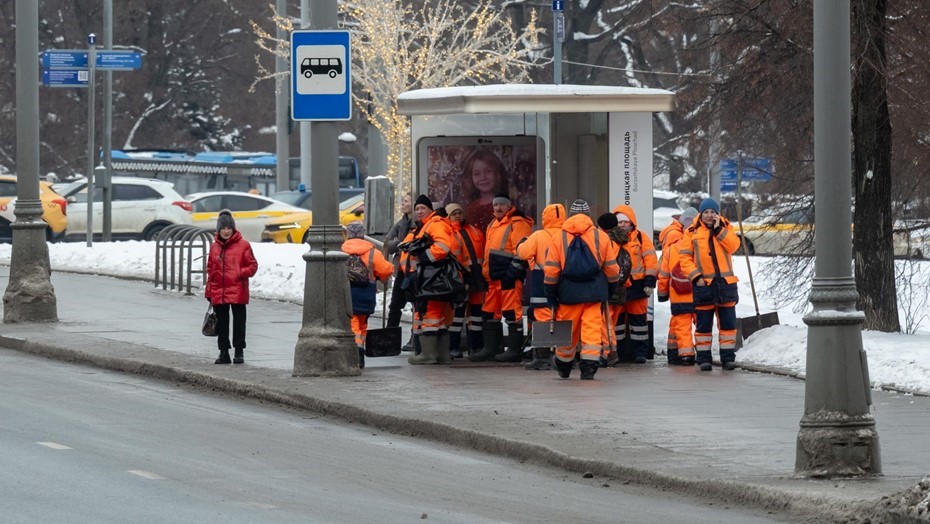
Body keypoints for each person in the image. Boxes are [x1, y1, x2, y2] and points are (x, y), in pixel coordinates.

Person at [544, 199, 621, 380]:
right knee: (592, 330)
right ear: (589, 216)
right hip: (594, 293)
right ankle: (589, 367)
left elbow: (551, 270)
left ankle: (563, 364)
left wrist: (551, 294)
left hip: (567, 293)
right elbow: (612, 269)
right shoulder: (601, 237)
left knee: (568, 331)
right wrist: (610, 289)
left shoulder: (559, 237)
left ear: (570, 216)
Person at [468, 193, 534, 362]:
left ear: (508, 206)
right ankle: (490, 349)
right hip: (493, 279)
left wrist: (512, 273)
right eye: (495, 205)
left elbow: (523, 251)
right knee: (489, 313)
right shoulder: (493, 224)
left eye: (501, 205)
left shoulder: (518, 223)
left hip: (508, 278)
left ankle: (513, 350)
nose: (497, 208)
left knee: (512, 314)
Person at [678, 198, 741, 371]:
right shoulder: (691, 231)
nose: (709, 215)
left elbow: (734, 246)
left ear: (717, 214)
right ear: (701, 213)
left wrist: (719, 230)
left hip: (725, 284)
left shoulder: (726, 228)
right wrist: (695, 277)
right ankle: (704, 358)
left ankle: (728, 358)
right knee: (703, 326)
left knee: (728, 325)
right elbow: (684, 258)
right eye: (706, 212)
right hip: (703, 284)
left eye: (713, 212)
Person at [402, 195, 458, 365]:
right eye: (417, 209)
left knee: (431, 315)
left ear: (430, 210)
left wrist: (423, 258)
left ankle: (428, 355)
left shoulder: (435, 224)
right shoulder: (424, 226)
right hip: (426, 278)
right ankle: (441, 354)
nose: (419, 211)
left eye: (422, 208)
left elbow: (443, 246)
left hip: (430, 279)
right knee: (437, 318)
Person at [516, 203, 566, 370]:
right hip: (564, 283)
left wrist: (521, 244)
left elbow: (523, 253)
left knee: (543, 318)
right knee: (562, 318)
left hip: (542, 283)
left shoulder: (539, 235)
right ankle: (562, 357)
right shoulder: (568, 235)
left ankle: (542, 358)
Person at [205, 209, 258, 365]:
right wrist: (209, 290)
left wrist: (239, 273)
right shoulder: (214, 247)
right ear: (218, 230)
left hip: (237, 290)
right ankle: (223, 353)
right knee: (222, 323)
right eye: (223, 228)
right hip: (219, 291)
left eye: (229, 228)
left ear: (233, 229)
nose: (226, 231)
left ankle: (239, 352)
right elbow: (210, 270)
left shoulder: (243, 245)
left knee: (239, 323)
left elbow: (253, 266)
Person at [610, 204, 659, 364]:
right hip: (618, 285)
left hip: (638, 286)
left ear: (632, 222)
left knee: (639, 322)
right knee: (617, 322)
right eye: (619, 222)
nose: (623, 225)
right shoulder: (610, 238)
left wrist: (650, 281)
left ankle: (640, 353)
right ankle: (618, 352)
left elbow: (651, 260)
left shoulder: (641, 237)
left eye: (625, 221)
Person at [342, 221, 394, 369]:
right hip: (367, 294)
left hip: (348, 292)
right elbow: (385, 270)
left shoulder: (341, 250)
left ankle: (355, 355)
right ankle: (361, 354)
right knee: (363, 323)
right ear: (362, 235)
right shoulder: (373, 252)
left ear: (348, 235)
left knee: (352, 323)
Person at [656, 207, 699, 365]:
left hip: (678, 294)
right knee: (701, 325)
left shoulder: (672, 248)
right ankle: (702, 353)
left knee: (682, 326)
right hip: (699, 293)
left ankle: (685, 354)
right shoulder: (702, 245)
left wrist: (662, 292)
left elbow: (664, 274)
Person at [446, 203, 487, 359]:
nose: (457, 216)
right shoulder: (447, 232)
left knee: (476, 316)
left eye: (459, 213)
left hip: (476, 277)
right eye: (454, 213)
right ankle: (452, 347)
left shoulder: (474, 231)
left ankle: (476, 348)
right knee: (457, 315)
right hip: (459, 278)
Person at [596, 212, 632, 366]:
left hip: (609, 286)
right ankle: (611, 350)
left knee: (605, 322)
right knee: (612, 321)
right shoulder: (623, 239)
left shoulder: (607, 241)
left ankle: (608, 352)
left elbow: (606, 264)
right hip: (621, 286)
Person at [383, 193, 416, 351]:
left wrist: (402, 244)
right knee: (395, 304)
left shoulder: (417, 223)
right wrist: (402, 243)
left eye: (406, 201)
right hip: (402, 269)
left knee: (415, 305)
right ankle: (389, 338)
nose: (402, 204)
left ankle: (414, 337)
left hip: (415, 269)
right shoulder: (401, 222)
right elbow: (388, 244)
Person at [462, 149, 510, 232]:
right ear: (471, 177)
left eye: (488, 171)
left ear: (497, 173)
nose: (483, 177)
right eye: (477, 174)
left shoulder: (506, 206)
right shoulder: (471, 209)